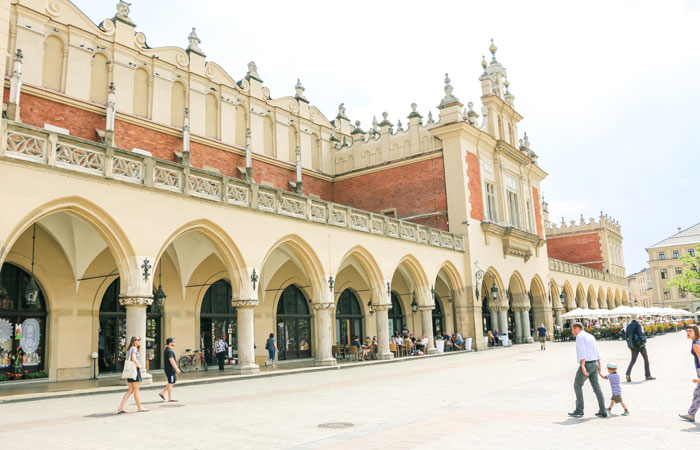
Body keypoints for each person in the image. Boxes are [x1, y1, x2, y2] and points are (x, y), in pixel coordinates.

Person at [568, 322, 607, 418]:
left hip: (587, 364)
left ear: (577, 328)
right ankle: (603, 410)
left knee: (577, 385)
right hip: (594, 363)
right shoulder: (590, 336)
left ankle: (579, 410)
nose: (572, 332)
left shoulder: (580, 337)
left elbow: (582, 352)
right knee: (596, 388)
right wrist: (599, 365)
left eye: (572, 329)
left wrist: (582, 366)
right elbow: (596, 351)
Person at [117, 336, 147, 413]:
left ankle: (120, 407)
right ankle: (139, 407)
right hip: (134, 371)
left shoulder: (129, 349)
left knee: (130, 390)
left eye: (140, 339)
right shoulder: (134, 348)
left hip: (130, 371)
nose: (140, 341)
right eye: (138, 340)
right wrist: (139, 365)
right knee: (136, 390)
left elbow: (128, 358)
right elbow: (133, 359)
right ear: (134, 341)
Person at [679, 324, 700, 422]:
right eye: (687, 331)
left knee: (697, 393)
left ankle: (691, 414)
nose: (688, 333)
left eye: (690, 331)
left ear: (696, 332)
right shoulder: (696, 342)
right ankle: (691, 414)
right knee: (697, 393)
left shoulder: (695, 343)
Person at [625, 314, 655, 382]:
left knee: (633, 360)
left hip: (633, 346)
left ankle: (628, 374)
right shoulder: (638, 324)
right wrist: (644, 341)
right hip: (640, 345)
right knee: (646, 359)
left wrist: (629, 345)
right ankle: (648, 375)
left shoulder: (628, 326)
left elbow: (626, 337)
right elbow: (641, 333)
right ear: (637, 318)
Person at [159, 337, 180, 402]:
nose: (174, 343)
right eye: (173, 341)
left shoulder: (168, 350)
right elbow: (171, 360)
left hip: (170, 369)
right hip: (170, 369)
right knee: (171, 383)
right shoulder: (169, 351)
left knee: (172, 382)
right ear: (170, 343)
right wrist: (176, 368)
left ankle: (162, 392)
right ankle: (170, 398)